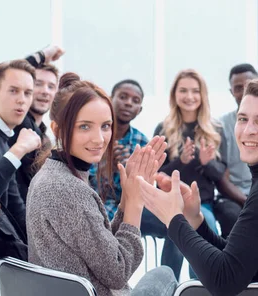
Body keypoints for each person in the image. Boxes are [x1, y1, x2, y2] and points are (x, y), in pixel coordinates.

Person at [138, 76, 258, 296]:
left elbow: (224, 280)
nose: (248, 130)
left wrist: (173, 219)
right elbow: (234, 259)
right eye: (243, 119)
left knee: (162, 277)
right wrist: (194, 221)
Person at [26, 73, 176, 296]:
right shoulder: (67, 189)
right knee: (165, 274)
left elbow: (103, 246)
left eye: (106, 126)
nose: (99, 139)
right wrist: (136, 204)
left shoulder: (52, 174)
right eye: (85, 127)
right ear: (57, 129)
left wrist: (126, 199)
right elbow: (118, 272)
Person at [154, 69, 243, 279]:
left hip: (202, 203)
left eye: (195, 91)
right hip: (170, 204)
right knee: (177, 230)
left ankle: (200, 287)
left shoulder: (215, 129)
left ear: (202, 95)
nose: (189, 96)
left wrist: (207, 163)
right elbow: (157, 176)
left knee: (205, 227)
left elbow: (222, 175)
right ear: (174, 94)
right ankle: (169, 286)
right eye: (183, 90)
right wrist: (181, 162)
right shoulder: (163, 128)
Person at [0, 59, 41, 295]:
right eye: (13, 91)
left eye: (28, 93)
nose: (22, 99)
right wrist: (19, 150)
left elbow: (14, 204)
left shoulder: (3, 137)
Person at [90, 79, 148, 220]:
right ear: (110, 100)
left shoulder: (142, 141)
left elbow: (145, 190)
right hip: (95, 204)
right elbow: (82, 184)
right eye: (123, 97)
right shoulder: (93, 134)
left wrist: (131, 172)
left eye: (135, 100)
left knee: (176, 222)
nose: (128, 103)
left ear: (139, 110)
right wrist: (105, 167)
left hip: (129, 206)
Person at [214, 63, 258, 238]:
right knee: (231, 216)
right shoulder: (221, 126)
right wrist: (245, 200)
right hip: (232, 196)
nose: (245, 91)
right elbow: (220, 177)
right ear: (231, 92)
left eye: (250, 85)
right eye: (238, 88)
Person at [9, 64, 59, 202]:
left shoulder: (46, 139)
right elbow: (8, 79)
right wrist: (42, 55)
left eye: (51, 86)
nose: (45, 91)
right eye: (38, 84)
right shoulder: (15, 123)